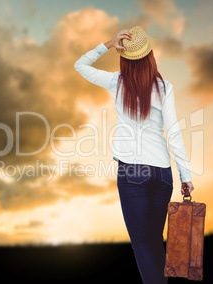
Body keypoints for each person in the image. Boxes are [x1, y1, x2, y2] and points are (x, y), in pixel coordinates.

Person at [74, 26, 195, 284]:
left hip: (132, 172)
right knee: (153, 242)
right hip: (162, 173)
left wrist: (108, 44)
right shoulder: (165, 87)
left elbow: (80, 65)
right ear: (150, 55)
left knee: (142, 244)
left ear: (124, 58)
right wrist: (185, 174)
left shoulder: (116, 82)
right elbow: (173, 132)